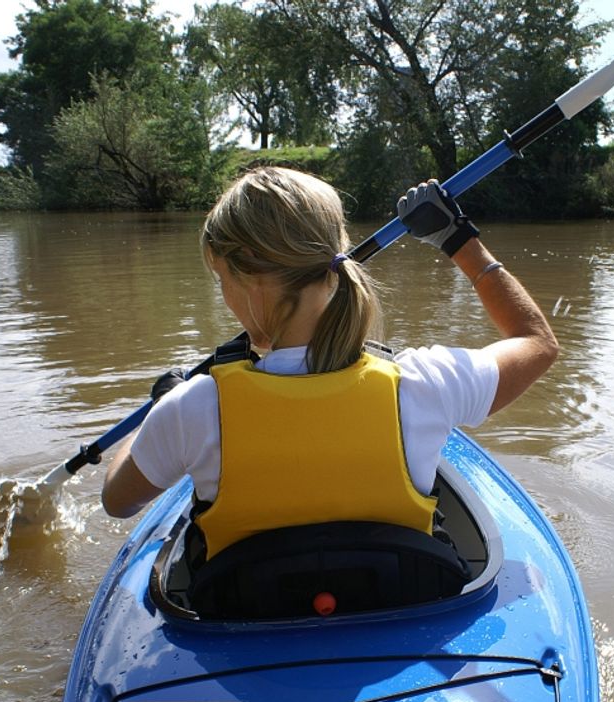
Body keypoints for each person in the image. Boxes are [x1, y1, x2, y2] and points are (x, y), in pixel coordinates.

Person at [101, 167, 557, 561]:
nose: (224, 297)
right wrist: (459, 240)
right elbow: (537, 342)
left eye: (223, 280)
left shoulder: (192, 409)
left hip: (245, 617)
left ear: (250, 281)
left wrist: (163, 404)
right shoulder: (425, 384)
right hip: (398, 605)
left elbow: (117, 501)